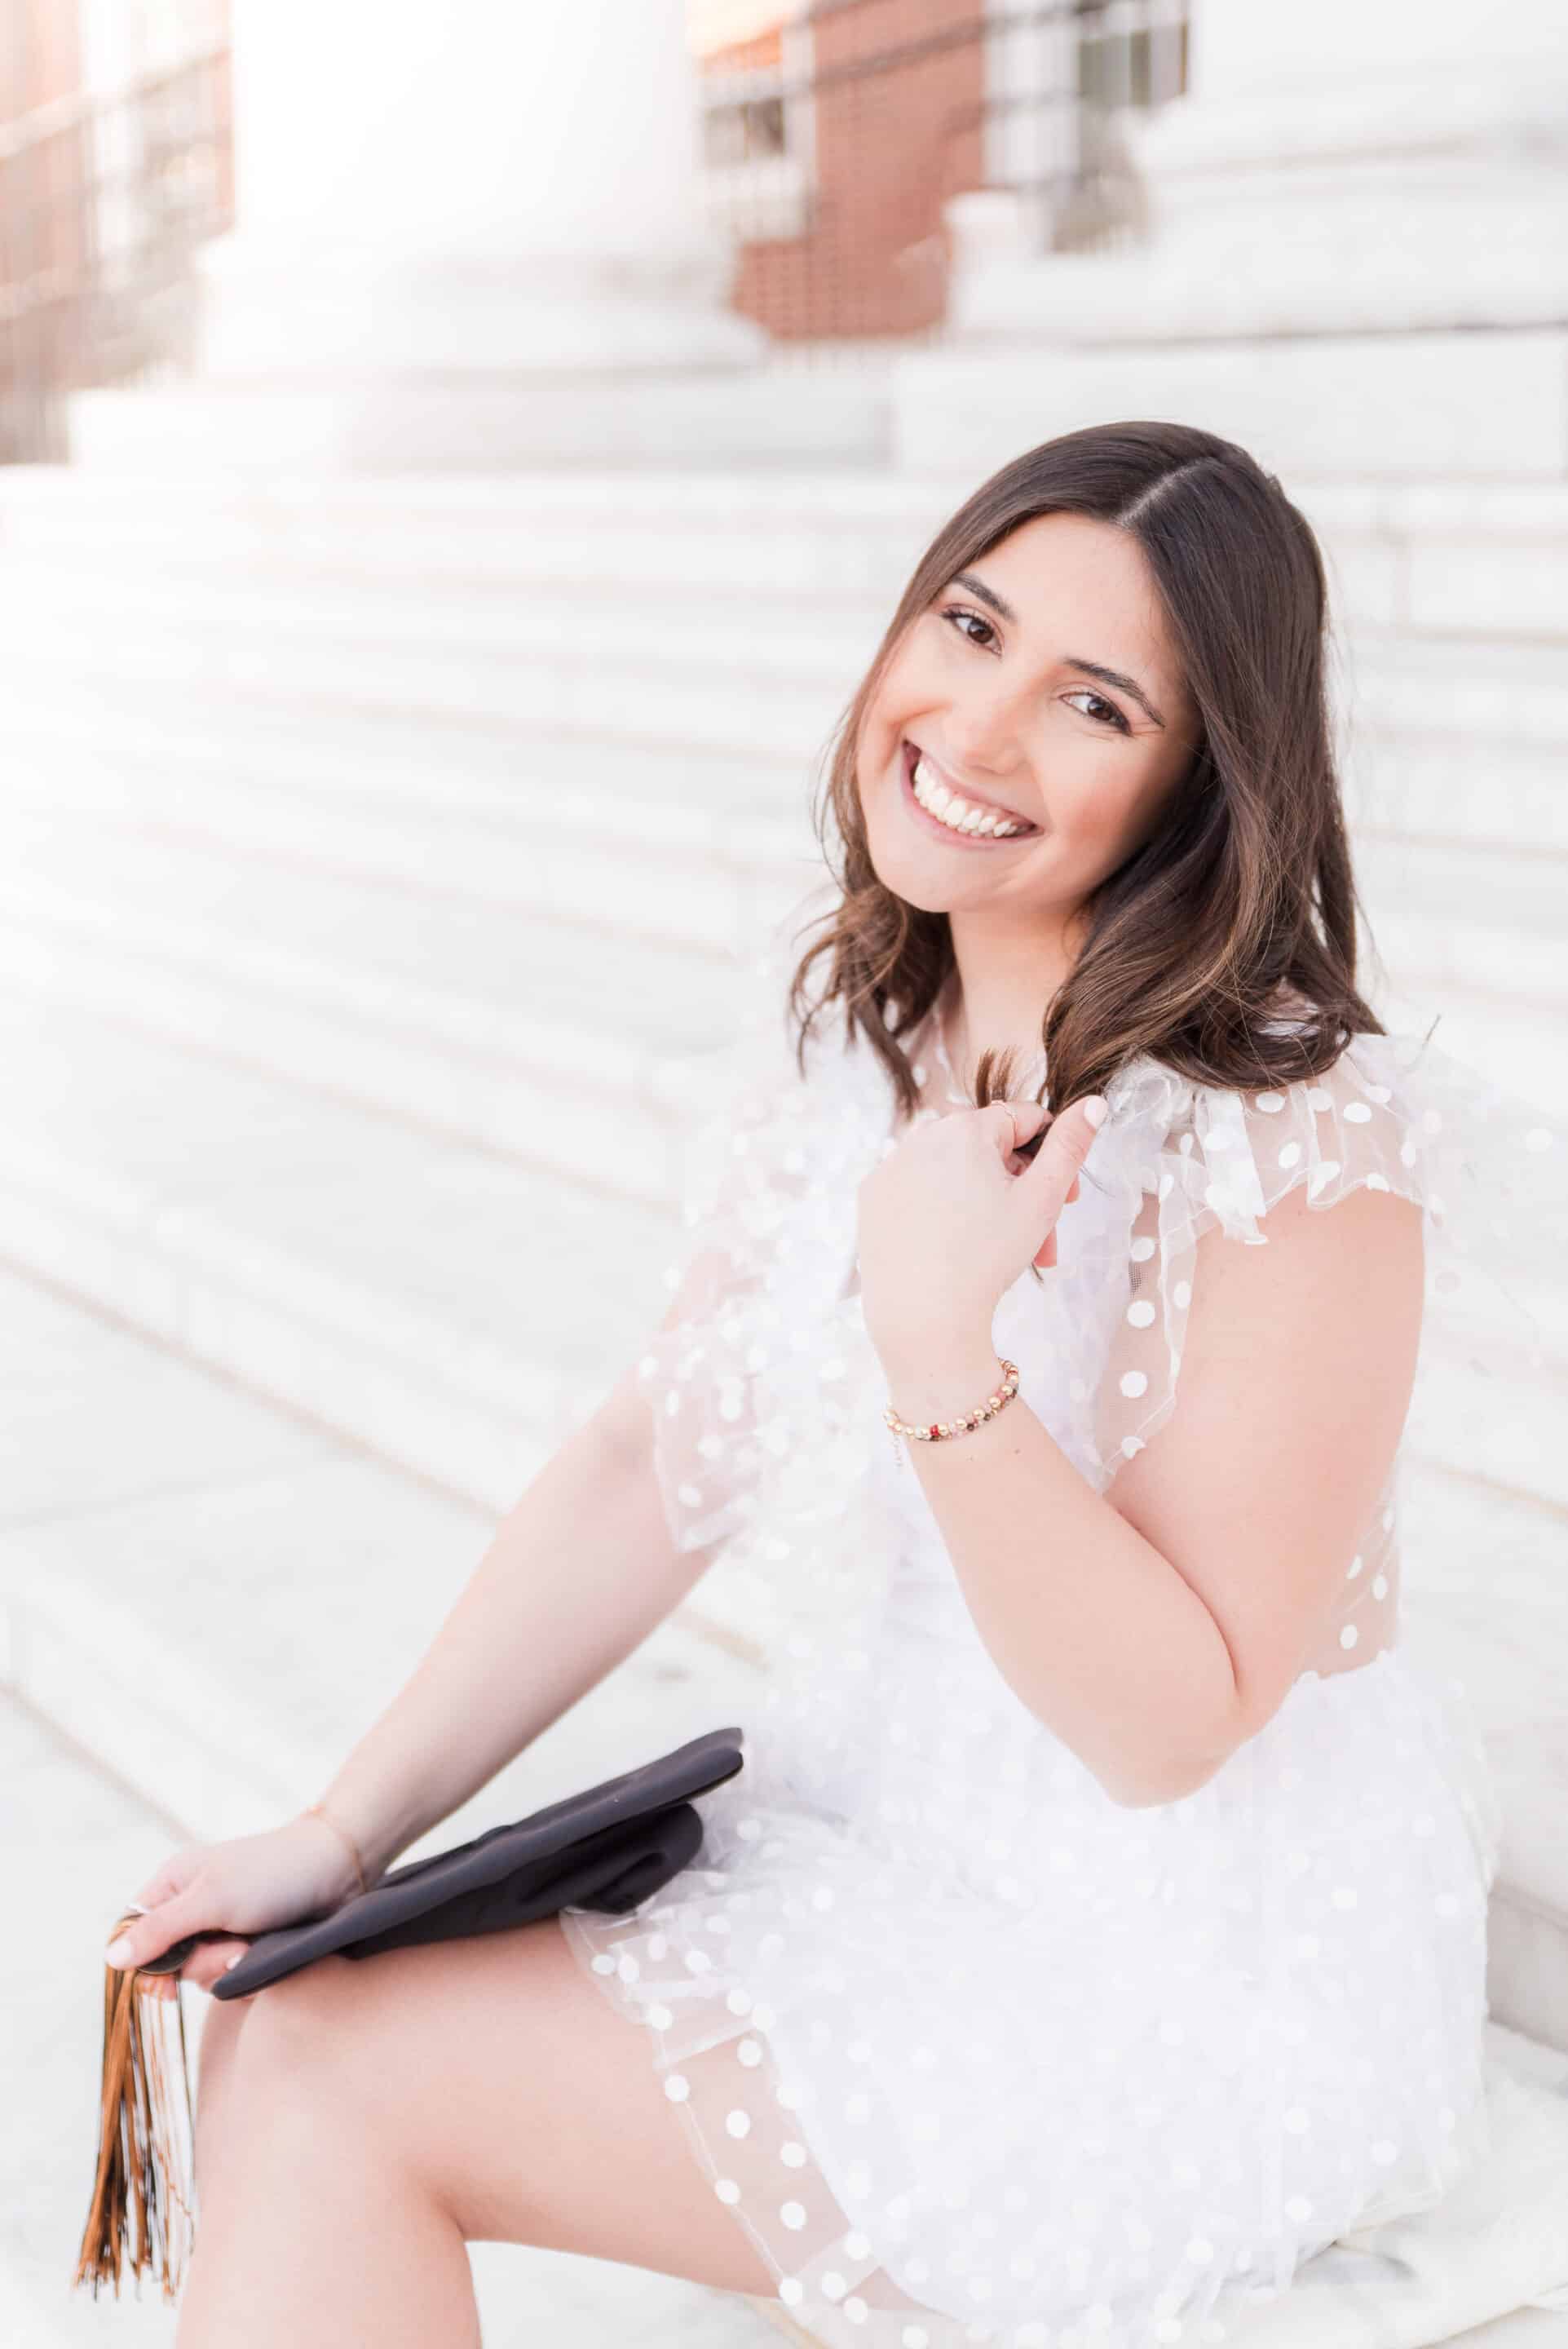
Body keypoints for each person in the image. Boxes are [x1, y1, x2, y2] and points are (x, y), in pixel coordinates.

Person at [105, 420, 1559, 2349]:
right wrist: (343, 1832)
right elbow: (655, 1450)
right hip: (896, 1846)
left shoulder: (1289, 1137)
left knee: (332, 2077)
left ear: (1197, 787)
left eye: (1089, 704)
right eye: (965, 627)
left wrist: (940, 1348)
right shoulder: (878, 1027)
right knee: (284, 2024)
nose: (971, 730)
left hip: (1175, 1978)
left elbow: (1169, 1729)